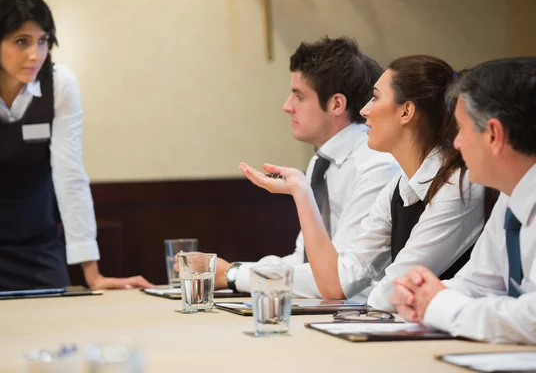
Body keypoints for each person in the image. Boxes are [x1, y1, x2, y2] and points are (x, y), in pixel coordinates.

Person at [0, 0, 152, 294]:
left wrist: (93, 274)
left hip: (38, 244)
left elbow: (70, 177)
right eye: (21, 41)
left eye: (42, 41)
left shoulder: (60, 85)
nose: (34, 54)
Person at [241, 55, 496, 310]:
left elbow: (390, 294)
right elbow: (336, 284)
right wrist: (301, 191)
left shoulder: (458, 185)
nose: (364, 110)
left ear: (406, 112)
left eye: (375, 97)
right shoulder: (398, 185)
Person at [213, 37, 399, 300]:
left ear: (336, 104)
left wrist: (235, 275)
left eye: (299, 96)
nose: (287, 106)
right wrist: (229, 272)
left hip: (362, 310)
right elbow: (305, 263)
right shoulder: (321, 160)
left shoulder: (376, 165)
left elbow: (338, 278)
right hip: (328, 306)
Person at [390, 57, 536, 344]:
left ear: (493, 134)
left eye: (461, 129)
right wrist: (422, 296)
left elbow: (531, 318)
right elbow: (478, 283)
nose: (455, 143)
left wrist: (441, 307)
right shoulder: (510, 197)